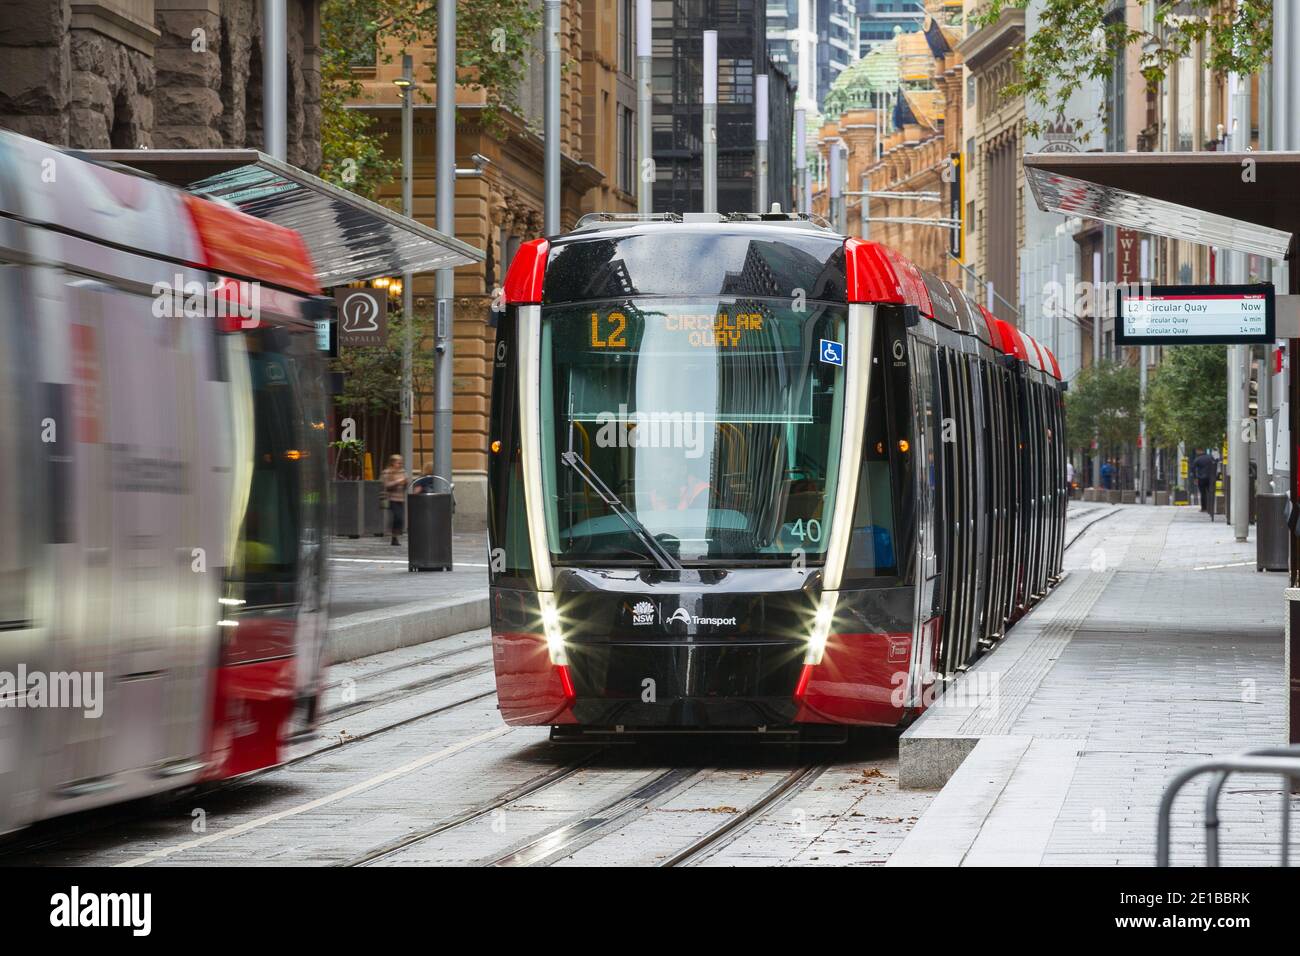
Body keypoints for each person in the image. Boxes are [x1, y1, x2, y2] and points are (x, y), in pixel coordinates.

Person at [381, 454, 408, 545]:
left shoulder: (402, 472)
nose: (400, 465)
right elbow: (386, 485)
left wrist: (405, 482)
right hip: (391, 498)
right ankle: (394, 535)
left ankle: (394, 536)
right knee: (398, 517)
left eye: (401, 463)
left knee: (400, 519)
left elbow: (405, 485)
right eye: (398, 463)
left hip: (401, 498)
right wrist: (398, 482)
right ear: (392, 463)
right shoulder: (387, 472)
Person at [1192, 448, 1217, 520]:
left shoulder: (1197, 459)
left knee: (1203, 493)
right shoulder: (1210, 457)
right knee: (1210, 492)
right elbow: (1216, 462)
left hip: (1201, 478)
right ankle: (1211, 507)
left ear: (1199, 451)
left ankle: (1204, 508)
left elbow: (1193, 469)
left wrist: (1195, 478)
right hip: (1210, 478)